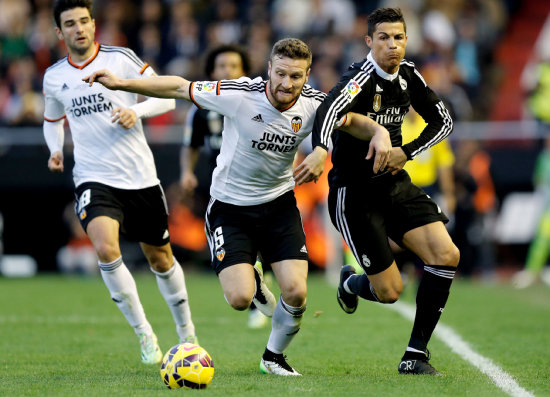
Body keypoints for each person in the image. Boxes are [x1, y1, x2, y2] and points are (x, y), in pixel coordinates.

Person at [84, 37, 392, 376]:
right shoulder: (241, 94)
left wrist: (378, 132)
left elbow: (351, 120)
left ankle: (273, 357)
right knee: (239, 299)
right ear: (269, 70)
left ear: (306, 77)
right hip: (229, 209)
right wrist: (123, 82)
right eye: (281, 74)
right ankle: (255, 283)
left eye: (296, 77)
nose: (286, 84)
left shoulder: (316, 105)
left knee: (296, 291)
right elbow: (178, 87)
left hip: (278, 205)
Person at [294, 8, 459, 375]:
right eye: (383, 37)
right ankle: (353, 284)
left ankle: (415, 354)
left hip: (394, 184)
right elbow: (328, 110)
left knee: (446, 254)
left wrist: (407, 151)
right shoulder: (359, 78)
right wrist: (322, 149)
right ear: (369, 41)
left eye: (398, 37)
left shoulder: (409, 76)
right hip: (354, 194)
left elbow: (443, 121)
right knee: (390, 292)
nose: (392, 44)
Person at [43, 0, 197, 365]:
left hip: (139, 177)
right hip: (93, 177)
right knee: (105, 248)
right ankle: (145, 333)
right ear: (58, 32)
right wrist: (54, 150)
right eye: (70, 23)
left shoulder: (120, 58)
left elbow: (168, 99)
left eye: (84, 21)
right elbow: (53, 119)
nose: (78, 28)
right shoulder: (53, 76)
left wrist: (136, 110)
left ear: (94, 25)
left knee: (160, 259)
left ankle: (187, 333)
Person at [179, 43, 268, 329]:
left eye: (233, 66)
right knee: (231, 240)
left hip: (256, 183)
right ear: (211, 72)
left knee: (259, 240)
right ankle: (247, 284)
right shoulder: (202, 108)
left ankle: (256, 295)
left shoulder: (257, 101)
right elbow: (190, 145)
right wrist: (186, 172)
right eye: (221, 66)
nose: (227, 71)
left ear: (244, 72)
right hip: (218, 184)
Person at [512, 133, 550, 289]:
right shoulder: (543, 157)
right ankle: (532, 271)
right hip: (546, 206)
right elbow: (538, 180)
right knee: (542, 238)